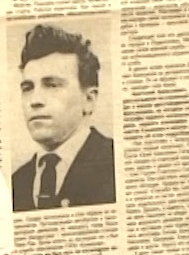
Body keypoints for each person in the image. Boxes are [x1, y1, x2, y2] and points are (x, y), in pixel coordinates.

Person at [10, 24, 116, 211]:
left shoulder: (115, 163)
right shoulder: (16, 183)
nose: (35, 101)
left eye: (52, 85)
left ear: (89, 100)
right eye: (28, 88)